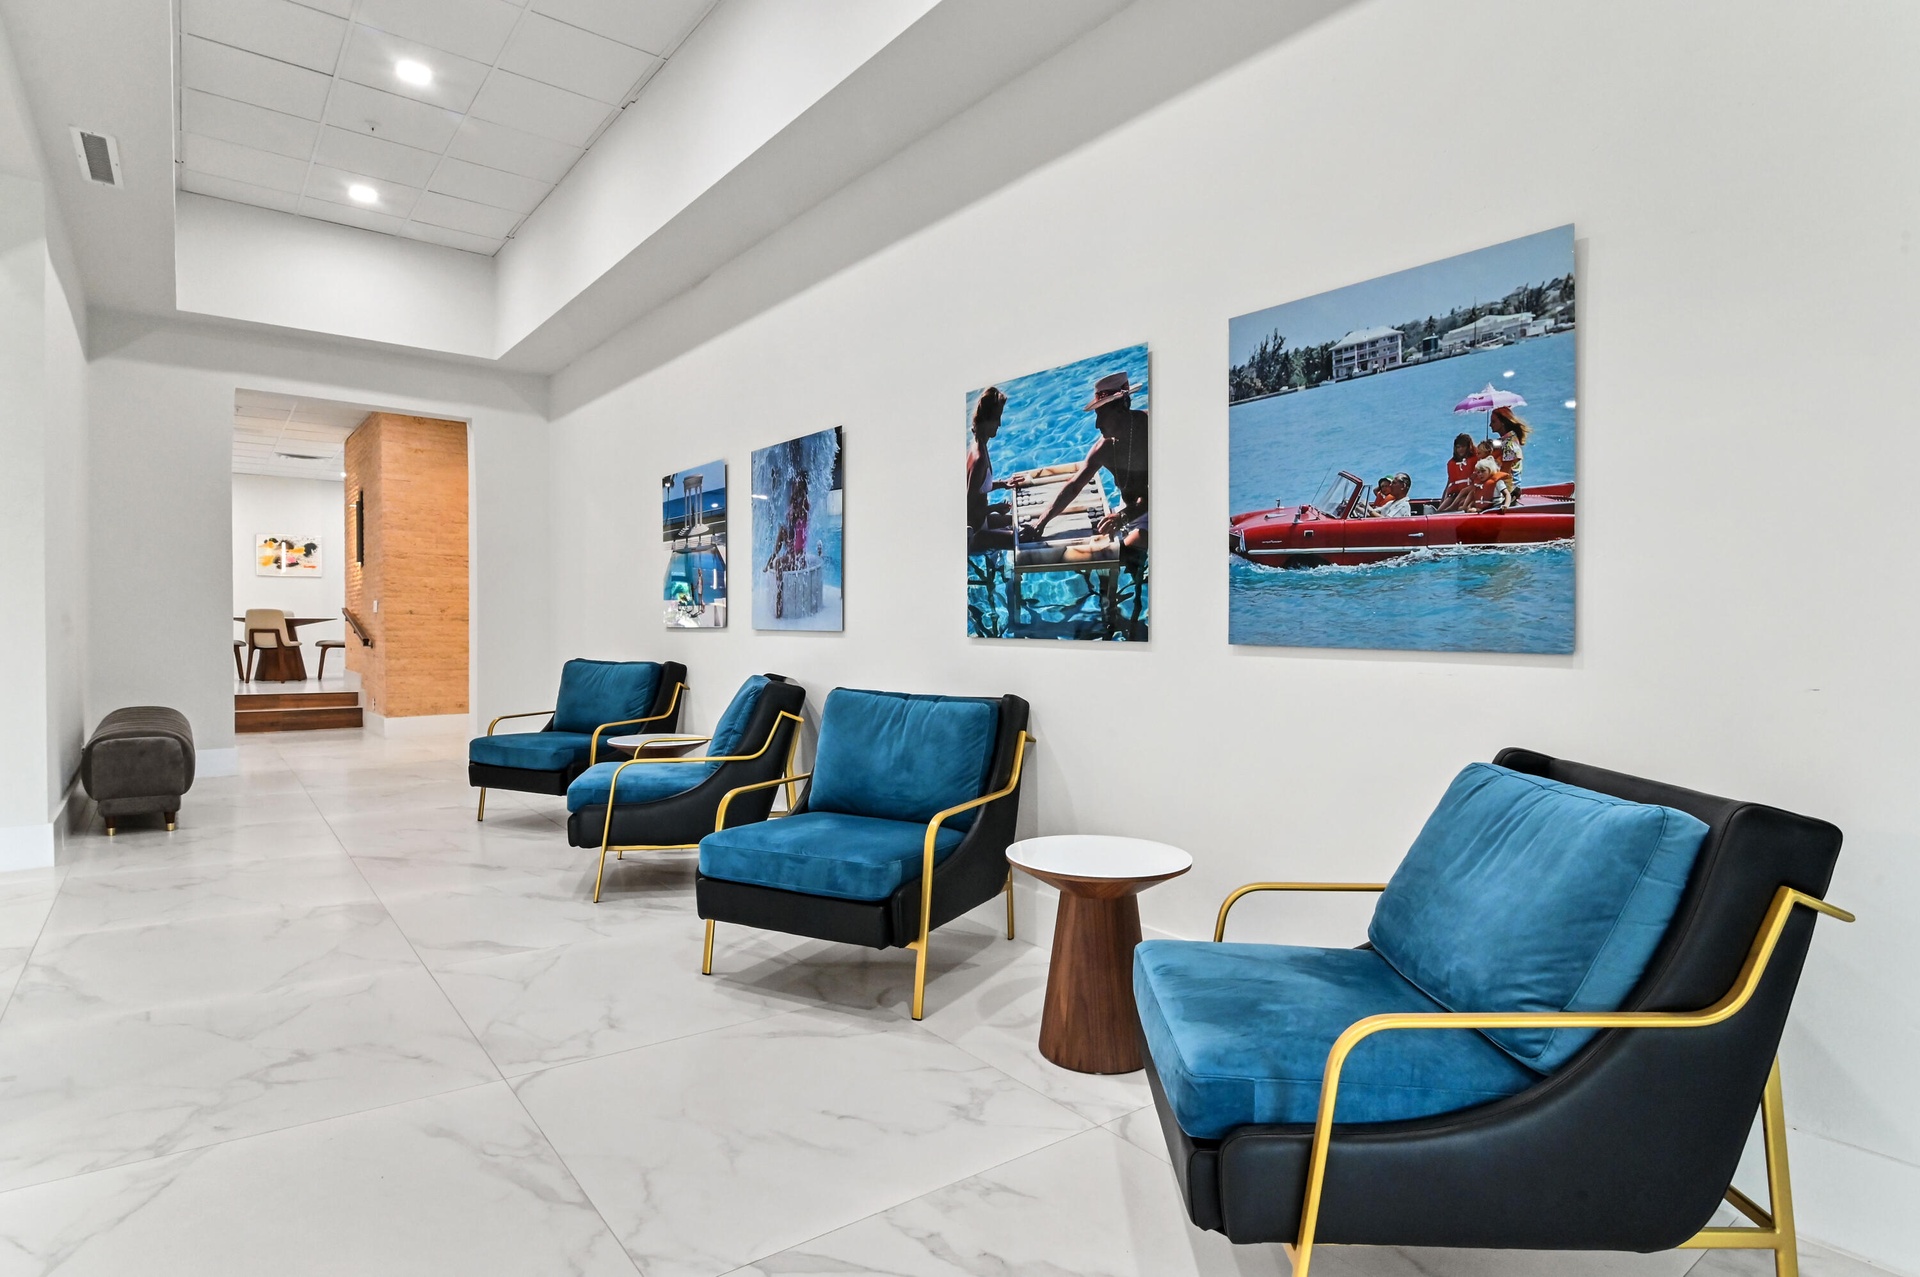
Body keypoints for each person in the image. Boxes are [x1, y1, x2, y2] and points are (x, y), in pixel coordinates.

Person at [1019, 370, 1149, 554]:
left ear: (1121, 409)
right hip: (1128, 509)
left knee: (1126, 554)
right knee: (1103, 552)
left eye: (1102, 415)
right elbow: (1074, 486)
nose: (1097, 424)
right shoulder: (1105, 447)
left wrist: (1122, 517)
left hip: (1155, 511)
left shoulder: (1150, 429)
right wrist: (1039, 524)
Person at [966, 386, 1019, 552]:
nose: (1000, 424)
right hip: (975, 534)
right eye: (997, 418)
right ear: (986, 420)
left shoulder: (978, 444)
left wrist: (1003, 483)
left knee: (1022, 522)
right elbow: (968, 509)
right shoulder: (979, 459)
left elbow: (979, 488)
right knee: (1024, 537)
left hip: (981, 521)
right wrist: (995, 507)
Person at [1488, 406, 1532, 507]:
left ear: (1503, 422)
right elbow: (1500, 443)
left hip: (1509, 490)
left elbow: (1505, 473)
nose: (1490, 425)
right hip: (1510, 486)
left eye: (1493, 422)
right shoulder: (1508, 439)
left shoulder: (1509, 445)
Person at [1437, 433, 1478, 511]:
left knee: (1460, 505)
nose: (1460, 449)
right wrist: (1442, 500)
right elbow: (1449, 483)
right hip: (1454, 494)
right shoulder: (1451, 463)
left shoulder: (1476, 459)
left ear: (1469, 447)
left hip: (1469, 493)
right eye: (1458, 447)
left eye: (1463, 446)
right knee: (1440, 511)